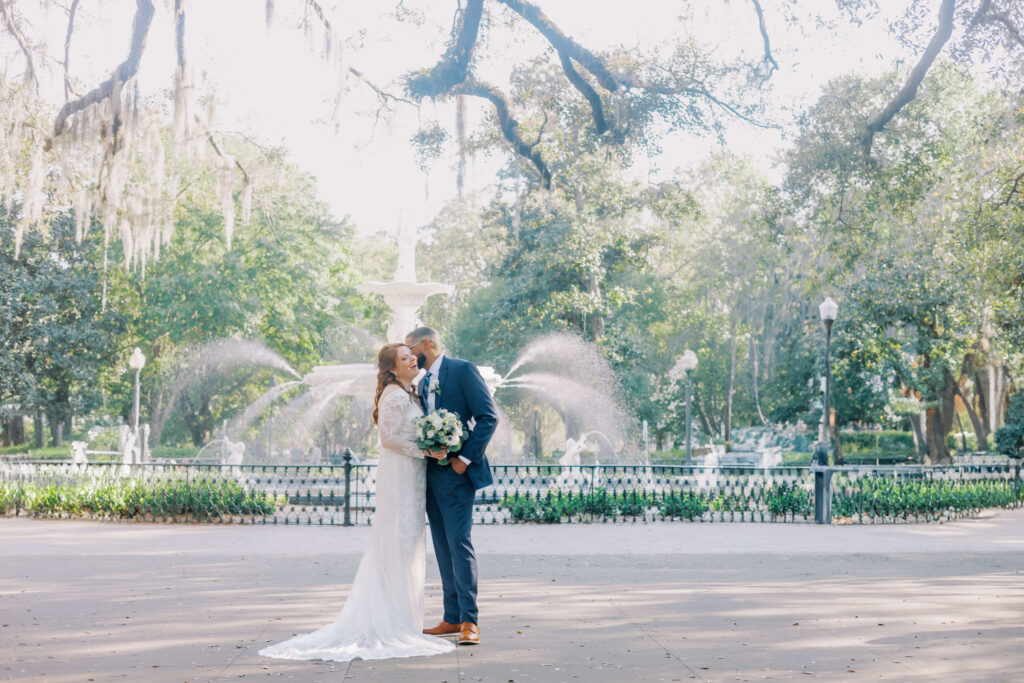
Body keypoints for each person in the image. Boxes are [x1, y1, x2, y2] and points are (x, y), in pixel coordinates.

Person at [259, 343, 453, 662]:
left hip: (412, 477)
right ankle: (390, 619)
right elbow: (387, 440)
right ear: (392, 368)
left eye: (411, 355)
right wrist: (427, 451)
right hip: (401, 476)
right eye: (404, 358)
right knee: (397, 541)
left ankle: (403, 617)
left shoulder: (410, 392)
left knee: (408, 543)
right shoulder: (393, 394)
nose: (412, 359)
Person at [405, 326, 498, 646]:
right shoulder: (424, 380)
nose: (409, 354)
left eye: (411, 348)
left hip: (457, 473)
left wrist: (465, 460)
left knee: (459, 542)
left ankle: (470, 621)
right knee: (442, 545)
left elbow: (488, 417)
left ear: (426, 344)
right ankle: (451, 616)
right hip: (429, 472)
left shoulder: (462, 370)